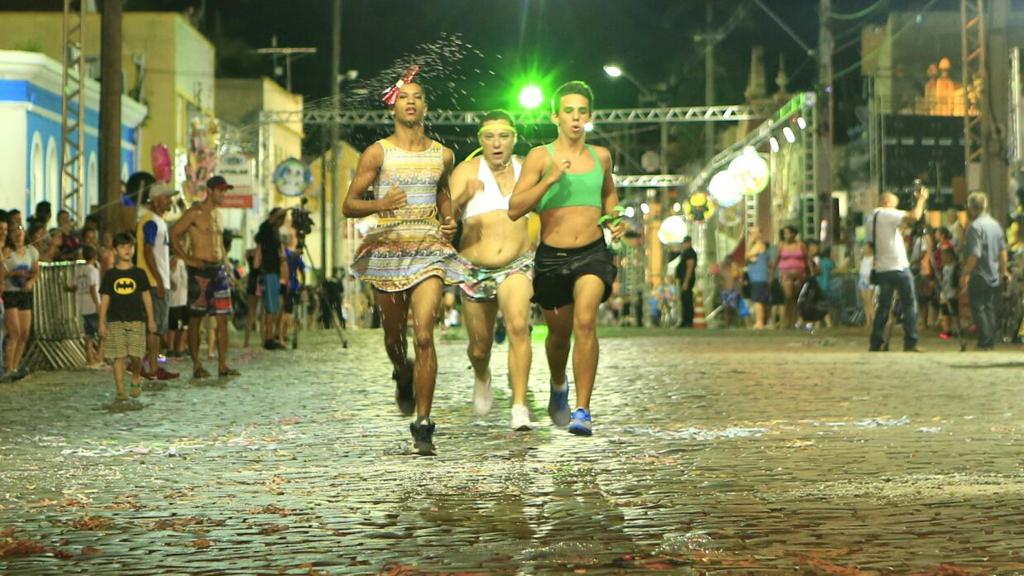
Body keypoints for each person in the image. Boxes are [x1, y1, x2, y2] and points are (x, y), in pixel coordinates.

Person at [343, 73, 467, 455]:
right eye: (404, 98)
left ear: (425, 107)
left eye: (417, 98)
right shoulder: (377, 153)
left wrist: (450, 220)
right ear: (393, 107)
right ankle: (401, 371)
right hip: (387, 250)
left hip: (428, 248)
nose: (410, 102)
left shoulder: (442, 154)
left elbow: (442, 194)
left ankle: (424, 423)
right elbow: (349, 204)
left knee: (425, 334)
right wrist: (380, 204)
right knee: (394, 338)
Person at [509, 80, 624, 436]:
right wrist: (550, 179)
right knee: (558, 336)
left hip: (592, 252)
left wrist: (615, 218)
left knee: (586, 321)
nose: (576, 118)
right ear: (555, 115)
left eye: (582, 112)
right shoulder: (540, 157)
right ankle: (559, 385)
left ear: (589, 117)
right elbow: (515, 208)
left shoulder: (601, 156)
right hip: (552, 257)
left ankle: (583, 410)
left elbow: (608, 195)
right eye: (569, 111)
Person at [450, 109, 535, 430]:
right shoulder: (466, 170)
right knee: (479, 345)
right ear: (480, 141)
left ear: (514, 138)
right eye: (489, 137)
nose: (497, 143)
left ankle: (519, 406)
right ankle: (482, 375)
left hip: (517, 264)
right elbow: (446, 217)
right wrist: (463, 197)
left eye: (503, 136)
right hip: (474, 268)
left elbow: (548, 205)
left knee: (518, 327)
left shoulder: (526, 169)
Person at [170, 175, 239, 378]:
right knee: (196, 319)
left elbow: (219, 245)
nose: (224, 194)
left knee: (223, 318)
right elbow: (174, 234)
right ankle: (197, 364)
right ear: (210, 190)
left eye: (225, 191)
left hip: (218, 270)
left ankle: (222, 364)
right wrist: (187, 259)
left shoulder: (218, 214)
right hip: (199, 271)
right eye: (221, 191)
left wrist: (227, 267)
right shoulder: (195, 213)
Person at [866, 186, 929, 352]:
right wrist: (921, 200)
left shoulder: (871, 217)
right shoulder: (887, 213)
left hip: (881, 268)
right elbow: (915, 216)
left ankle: (876, 341)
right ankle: (910, 341)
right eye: (895, 205)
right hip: (898, 266)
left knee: (884, 306)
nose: (896, 209)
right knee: (909, 303)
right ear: (887, 202)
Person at [99, 232, 156, 404]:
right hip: (116, 319)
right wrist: (102, 321)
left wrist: (151, 319)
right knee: (119, 356)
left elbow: (146, 297)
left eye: (130, 247)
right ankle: (121, 391)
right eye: (123, 247)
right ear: (115, 250)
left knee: (136, 355)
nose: (127, 250)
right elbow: (105, 299)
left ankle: (136, 377)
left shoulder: (139, 274)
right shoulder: (110, 275)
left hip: (136, 319)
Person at [136, 182, 179, 380]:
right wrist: (160, 280)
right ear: (155, 199)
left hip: (158, 280)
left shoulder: (158, 221)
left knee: (158, 327)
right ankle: (151, 367)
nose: (170, 200)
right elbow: (147, 251)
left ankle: (152, 365)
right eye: (166, 197)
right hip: (153, 282)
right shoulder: (151, 221)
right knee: (154, 328)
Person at [959, 191, 1009, 350]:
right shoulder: (995, 224)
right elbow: (1003, 250)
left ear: (971, 207)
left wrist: (965, 273)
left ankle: (984, 342)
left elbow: (975, 254)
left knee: (978, 308)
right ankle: (990, 340)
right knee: (989, 308)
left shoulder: (975, 227)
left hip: (979, 273)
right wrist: (1004, 270)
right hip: (993, 273)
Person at [3, 222, 39, 379]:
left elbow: (36, 271)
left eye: (20, 230)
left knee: (24, 332)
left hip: (25, 293)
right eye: (14, 231)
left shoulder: (31, 251)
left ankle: (16, 366)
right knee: (14, 331)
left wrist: (30, 282)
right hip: (11, 292)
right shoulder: (7, 252)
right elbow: (2, 273)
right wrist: (13, 275)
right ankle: (8, 367)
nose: (18, 234)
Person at [254, 208, 288, 350]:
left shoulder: (275, 232)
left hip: (274, 272)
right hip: (268, 272)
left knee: (274, 307)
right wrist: (283, 210)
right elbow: (270, 221)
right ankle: (268, 338)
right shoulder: (266, 229)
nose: (282, 221)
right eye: (280, 218)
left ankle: (271, 336)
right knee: (270, 307)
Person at [772, 225, 807, 329]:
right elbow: (776, 260)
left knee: (796, 298)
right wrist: (771, 274)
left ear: (794, 234)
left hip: (799, 274)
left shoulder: (800, 245)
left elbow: (807, 258)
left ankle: (794, 321)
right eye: (785, 233)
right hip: (785, 274)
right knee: (788, 296)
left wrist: (811, 271)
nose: (786, 235)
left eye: (788, 233)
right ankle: (785, 320)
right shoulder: (781, 245)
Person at [75, 245, 103, 368]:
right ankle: (98, 356)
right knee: (103, 332)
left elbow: (75, 286)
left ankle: (90, 359)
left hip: (82, 304)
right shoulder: (93, 270)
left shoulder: (79, 270)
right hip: (92, 305)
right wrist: (98, 304)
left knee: (89, 334)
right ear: (95, 256)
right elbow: (92, 288)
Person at [280, 239, 306, 346]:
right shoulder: (296, 257)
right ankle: (283, 334)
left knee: (283, 311)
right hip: (292, 286)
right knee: (288, 311)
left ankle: (281, 334)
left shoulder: (285, 254)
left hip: (281, 284)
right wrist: (303, 285)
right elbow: (302, 272)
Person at [745, 227, 770, 329]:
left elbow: (746, 256)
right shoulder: (757, 247)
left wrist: (750, 242)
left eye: (752, 233)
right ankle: (760, 321)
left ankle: (759, 322)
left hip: (759, 278)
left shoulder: (759, 246)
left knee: (758, 300)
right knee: (758, 300)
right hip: (757, 278)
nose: (750, 236)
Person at [166, 253, 189, 357]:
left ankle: (177, 348)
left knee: (179, 325)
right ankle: (176, 348)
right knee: (178, 325)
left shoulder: (176, 261)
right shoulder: (177, 262)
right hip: (178, 299)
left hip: (179, 299)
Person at [675, 236, 698, 328]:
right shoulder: (685, 253)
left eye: (685, 243)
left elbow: (689, 268)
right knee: (684, 300)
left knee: (687, 300)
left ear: (689, 243)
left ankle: (688, 321)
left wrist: (686, 282)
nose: (683, 245)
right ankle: (684, 320)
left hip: (687, 280)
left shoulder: (690, 253)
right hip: (684, 280)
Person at [857, 243, 876, 330]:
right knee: (865, 301)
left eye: (866, 247)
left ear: (870, 249)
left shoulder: (874, 258)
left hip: (870, 279)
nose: (864, 249)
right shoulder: (863, 258)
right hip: (862, 279)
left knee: (869, 301)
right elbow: (859, 269)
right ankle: (868, 321)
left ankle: (875, 320)